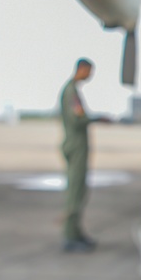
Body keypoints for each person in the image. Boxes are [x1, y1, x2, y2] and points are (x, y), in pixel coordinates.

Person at [59, 58, 103, 253]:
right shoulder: (70, 92)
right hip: (76, 146)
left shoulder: (73, 91)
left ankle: (76, 233)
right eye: (89, 72)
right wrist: (94, 118)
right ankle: (70, 236)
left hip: (78, 147)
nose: (90, 76)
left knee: (80, 191)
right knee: (75, 192)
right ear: (81, 69)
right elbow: (77, 120)